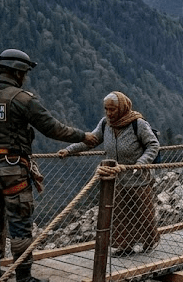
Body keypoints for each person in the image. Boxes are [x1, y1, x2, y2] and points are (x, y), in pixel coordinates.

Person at [0, 49, 94, 282]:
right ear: (18, 73)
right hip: (13, 172)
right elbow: (53, 128)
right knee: (20, 226)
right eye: (25, 73)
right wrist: (84, 137)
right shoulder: (22, 100)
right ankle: (23, 281)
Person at [58, 91, 160, 255]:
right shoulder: (106, 124)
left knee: (143, 212)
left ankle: (149, 242)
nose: (108, 113)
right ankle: (125, 246)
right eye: (106, 109)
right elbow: (91, 140)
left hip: (138, 178)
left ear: (122, 108)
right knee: (120, 213)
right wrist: (69, 150)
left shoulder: (138, 124)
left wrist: (141, 163)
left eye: (112, 109)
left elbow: (153, 145)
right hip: (117, 178)